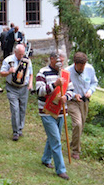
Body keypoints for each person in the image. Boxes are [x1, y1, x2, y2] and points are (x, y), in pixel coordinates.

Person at [36, 52, 74, 180]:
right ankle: (60, 170)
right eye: (59, 61)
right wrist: (54, 85)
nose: (61, 63)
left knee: (52, 137)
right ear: (51, 59)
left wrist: (66, 97)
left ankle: (46, 159)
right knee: (56, 140)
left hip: (61, 111)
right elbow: (39, 91)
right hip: (46, 111)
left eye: (62, 61)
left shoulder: (65, 74)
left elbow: (71, 90)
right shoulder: (42, 72)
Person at [66, 52, 98, 160]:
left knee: (81, 126)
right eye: (80, 66)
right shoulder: (67, 71)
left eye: (84, 65)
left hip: (84, 101)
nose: (82, 68)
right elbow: (64, 88)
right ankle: (75, 151)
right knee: (78, 124)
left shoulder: (90, 69)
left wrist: (90, 91)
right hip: (72, 101)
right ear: (75, 64)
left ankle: (73, 143)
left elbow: (94, 82)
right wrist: (74, 94)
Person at [0, 44, 33, 141]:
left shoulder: (27, 61)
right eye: (20, 54)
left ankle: (20, 129)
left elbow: (31, 73)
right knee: (15, 109)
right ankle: (15, 132)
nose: (22, 56)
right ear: (15, 52)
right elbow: (2, 73)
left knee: (22, 109)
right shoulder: (8, 60)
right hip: (12, 88)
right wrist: (9, 72)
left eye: (23, 54)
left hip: (23, 88)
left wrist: (30, 84)